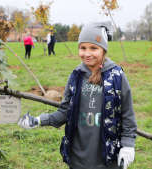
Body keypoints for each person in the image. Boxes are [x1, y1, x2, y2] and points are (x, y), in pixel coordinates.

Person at [18, 22, 137, 169]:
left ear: (103, 50)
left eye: (93, 48)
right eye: (83, 48)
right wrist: (38, 120)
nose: (87, 53)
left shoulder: (116, 76)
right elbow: (64, 112)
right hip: (78, 158)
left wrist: (128, 145)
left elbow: (127, 114)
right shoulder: (76, 76)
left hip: (108, 157)